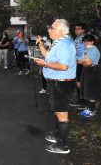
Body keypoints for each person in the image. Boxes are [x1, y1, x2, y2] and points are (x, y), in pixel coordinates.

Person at [34, 19, 76, 154]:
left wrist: (44, 65)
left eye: (51, 28)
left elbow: (63, 66)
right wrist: (41, 45)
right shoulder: (59, 43)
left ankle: (63, 146)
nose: (49, 30)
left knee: (62, 113)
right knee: (58, 111)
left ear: (61, 31)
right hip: (58, 83)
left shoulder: (64, 45)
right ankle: (59, 135)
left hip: (61, 83)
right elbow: (48, 56)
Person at [78, 34, 101, 117]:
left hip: (92, 71)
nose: (85, 43)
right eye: (84, 41)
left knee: (91, 91)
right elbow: (78, 61)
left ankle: (92, 110)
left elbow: (89, 62)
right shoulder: (86, 50)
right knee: (85, 90)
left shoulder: (94, 50)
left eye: (87, 41)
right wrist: (83, 60)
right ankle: (88, 108)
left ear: (92, 41)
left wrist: (83, 60)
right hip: (85, 70)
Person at [71, 23, 86, 108]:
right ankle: (80, 100)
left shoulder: (83, 39)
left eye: (79, 29)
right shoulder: (77, 38)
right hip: (77, 62)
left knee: (80, 83)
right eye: (76, 29)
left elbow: (85, 52)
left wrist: (78, 60)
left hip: (81, 63)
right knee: (78, 82)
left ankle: (83, 102)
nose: (77, 30)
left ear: (83, 30)